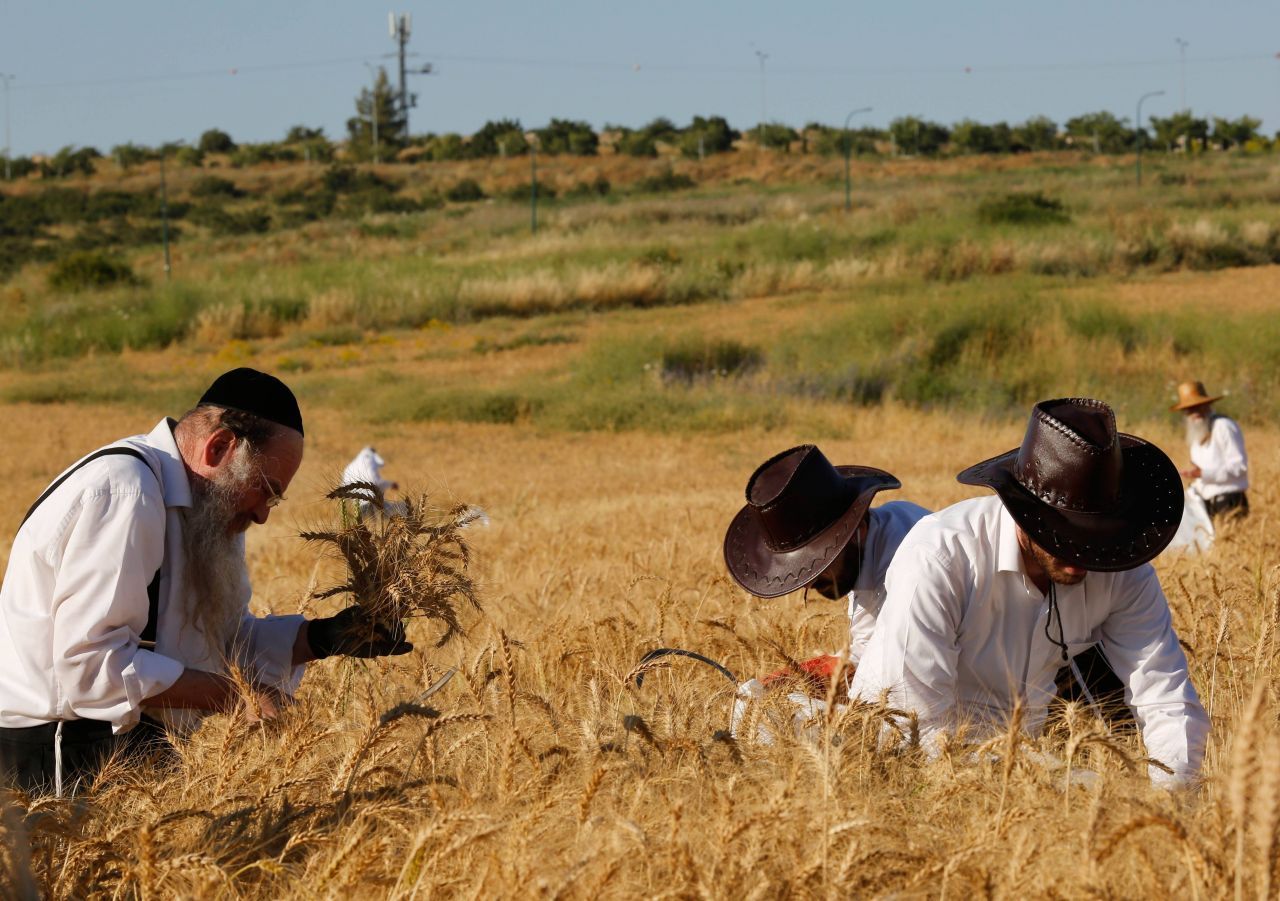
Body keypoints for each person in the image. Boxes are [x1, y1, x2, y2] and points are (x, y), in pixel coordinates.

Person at [0, 368, 412, 795]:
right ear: (219, 448)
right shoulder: (126, 491)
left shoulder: (202, 509)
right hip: (55, 760)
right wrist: (238, 695)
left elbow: (218, 643)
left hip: (130, 753)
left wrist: (322, 637)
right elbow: (90, 666)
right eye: (265, 489)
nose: (263, 514)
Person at [850, 398, 1209, 787]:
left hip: (1024, 765)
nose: (1081, 554)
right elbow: (912, 727)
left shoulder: (1121, 570)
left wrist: (1171, 796)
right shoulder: (940, 557)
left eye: (1095, 536)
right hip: (904, 761)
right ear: (1022, 511)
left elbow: (1165, 695)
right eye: (1065, 535)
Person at [723, 444, 930, 686]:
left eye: (820, 563)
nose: (808, 582)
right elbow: (871, 646)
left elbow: (900, 675)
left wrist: (810, 682)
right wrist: (803, 676)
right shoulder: (868, 548)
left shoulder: (908, 560)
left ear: (855, 531)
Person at [1170, 380, 1249, 522]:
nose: (1195, 412)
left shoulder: (1223, 426)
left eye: (1198, 406)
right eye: (1189, 409)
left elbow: (1239, 468)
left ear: (1207, 404)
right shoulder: (1196, 433)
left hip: (1229, 503)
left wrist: (1204, 474)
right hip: (1207, 506)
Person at [341, 445, 400, 518]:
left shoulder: (349, 467)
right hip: (372, 503)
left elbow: (344, 490)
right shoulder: (370, 462)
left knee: (366, 524)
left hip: (359, 506)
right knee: (395, 512)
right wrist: (390, 484)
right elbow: (375, 482)